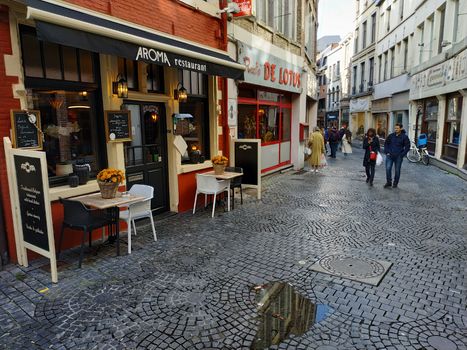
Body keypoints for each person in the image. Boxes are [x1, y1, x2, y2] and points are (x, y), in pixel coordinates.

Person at [383, 123, 410, 188]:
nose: (396, 129)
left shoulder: (404, 137)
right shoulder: (391, 136)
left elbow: (407, 147)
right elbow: (386, 143)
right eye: (395, 128)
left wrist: (402, 154)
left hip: (398, 156)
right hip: (390, 155)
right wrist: (387, 152)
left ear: (401, 128)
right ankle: (389, 182)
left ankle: (395, 183)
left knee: (397, 170)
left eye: (397, 128)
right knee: (388, 168)